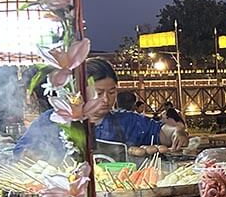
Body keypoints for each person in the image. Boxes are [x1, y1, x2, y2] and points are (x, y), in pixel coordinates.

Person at [14, 58, 173, 160]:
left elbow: (164, 133)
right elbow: (20, 152)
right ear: (81, 90)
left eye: (111, 92)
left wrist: (175, 133)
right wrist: (35, 157)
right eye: (98, 93)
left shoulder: (127, 121)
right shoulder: (53, 120)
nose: (105, 99)